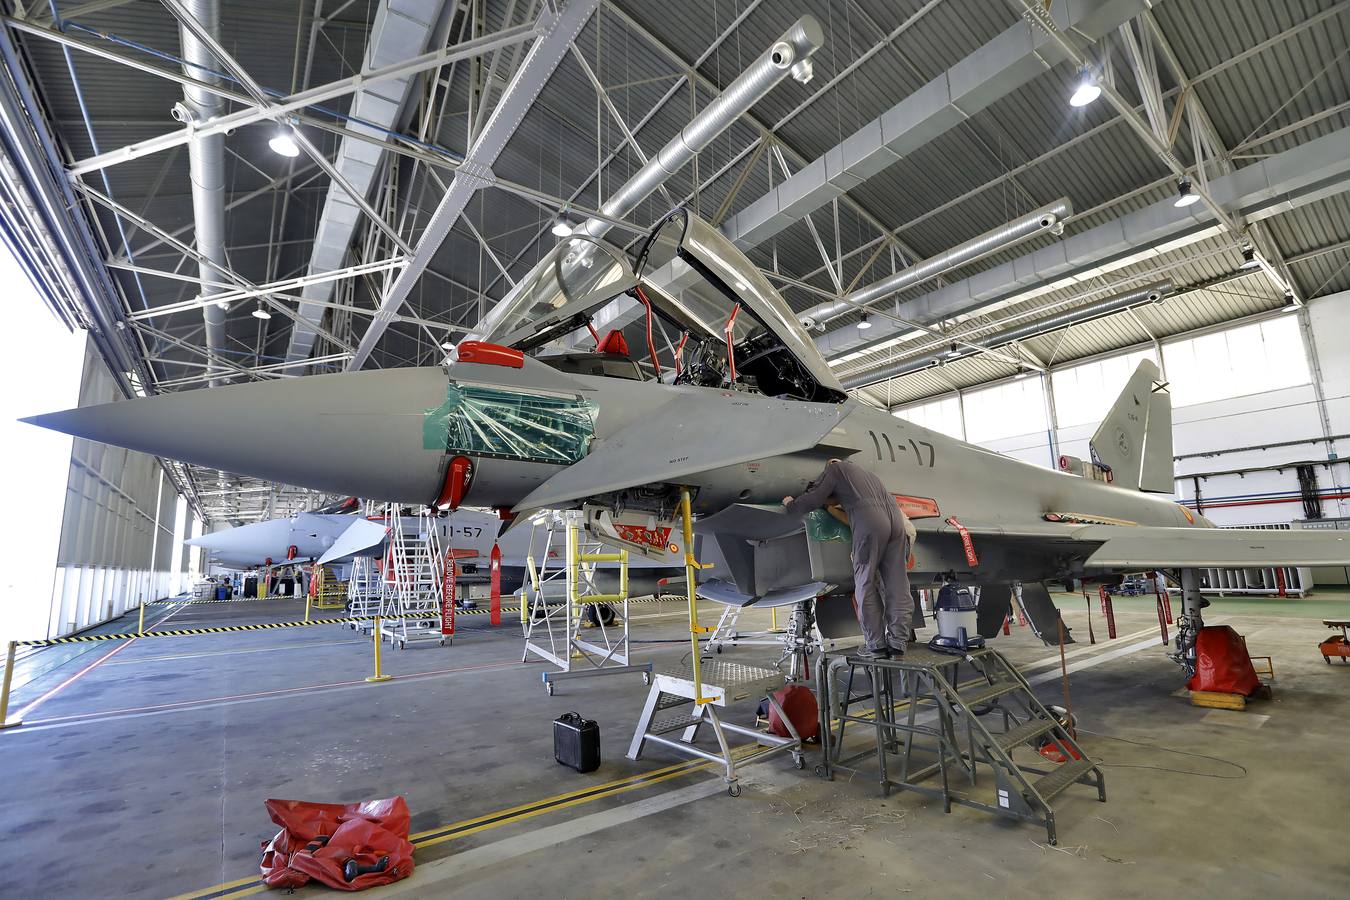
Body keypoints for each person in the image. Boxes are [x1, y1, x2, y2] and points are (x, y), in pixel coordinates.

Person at [783, 458, 914, 659]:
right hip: (897, 522)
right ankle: (898, 642)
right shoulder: (869, 476)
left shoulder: (835, 469)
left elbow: (813, 498)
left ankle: (876, 645)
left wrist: (791, 504)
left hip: (871, 523)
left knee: (865, 582)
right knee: (897, 584)